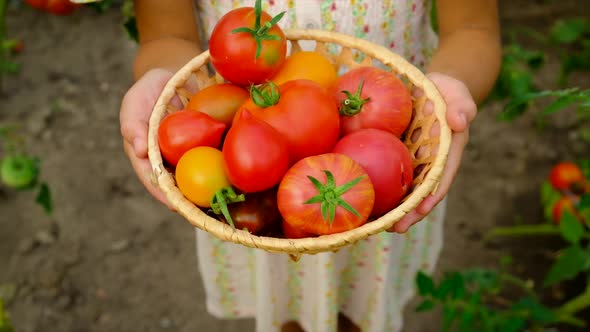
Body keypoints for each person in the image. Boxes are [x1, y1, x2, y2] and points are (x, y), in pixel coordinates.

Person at [119, 1, 501, 331]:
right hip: (250, 210)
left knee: (364, 302)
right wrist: (165, 81)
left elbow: (473, 28)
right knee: (284, 301)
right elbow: (164, 35)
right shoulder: (250, 125)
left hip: (395, 173)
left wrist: (449, 89)